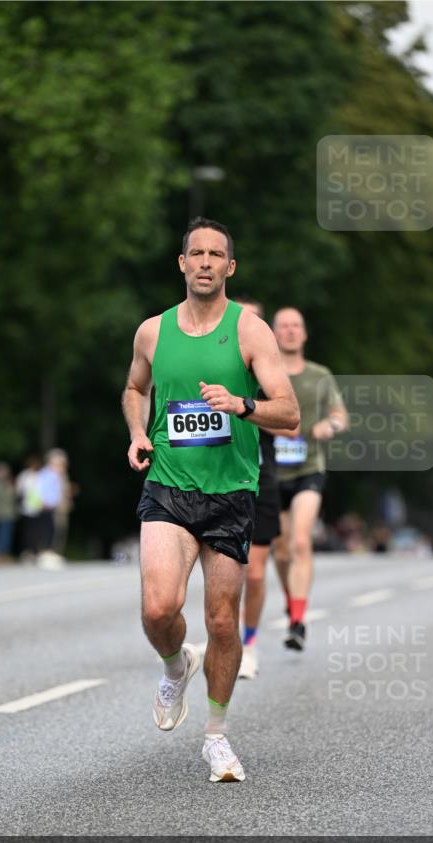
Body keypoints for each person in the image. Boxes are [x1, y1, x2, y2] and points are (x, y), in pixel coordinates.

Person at [122, 218, 299, 783]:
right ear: (181, 264)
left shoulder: (251, 332)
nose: (203, 262)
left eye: (215, 254)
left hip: (231, 493)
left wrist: (241, 405)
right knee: (157, 609)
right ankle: (176, 666)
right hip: (169, 485)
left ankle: (217, 738)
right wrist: (138, 432)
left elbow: (290, 414)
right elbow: (134, 388)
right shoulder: (152, 331)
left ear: (230, 267)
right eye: (194, 253)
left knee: (222, 622)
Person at [272, 307, 347, 651]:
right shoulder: (265, 373)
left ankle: (298, 622)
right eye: (283, 326)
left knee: (301, 542)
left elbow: (340, 416)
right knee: (281, 550)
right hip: (271, 471)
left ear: (304, 334)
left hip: (308, 469)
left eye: (295, 326)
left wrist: (326, 427)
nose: (289, 331)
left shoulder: (320, 375)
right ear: (274, 333)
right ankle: (293, 600)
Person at [233, 298, 282, 681]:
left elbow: (292, 423)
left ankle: (248, 643)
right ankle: (224, 638)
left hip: (259, 478)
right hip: (215, 478)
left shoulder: (269, 371)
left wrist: (244, 406)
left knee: (253, 573)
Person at [15, 454, 43, 559]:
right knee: (27, 531)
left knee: (36, 531)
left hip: (37, 508)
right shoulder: (24, 476)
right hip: (26, 508)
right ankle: (26, 551)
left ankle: (34, 551)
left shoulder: (39, 476)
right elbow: (19, 491)